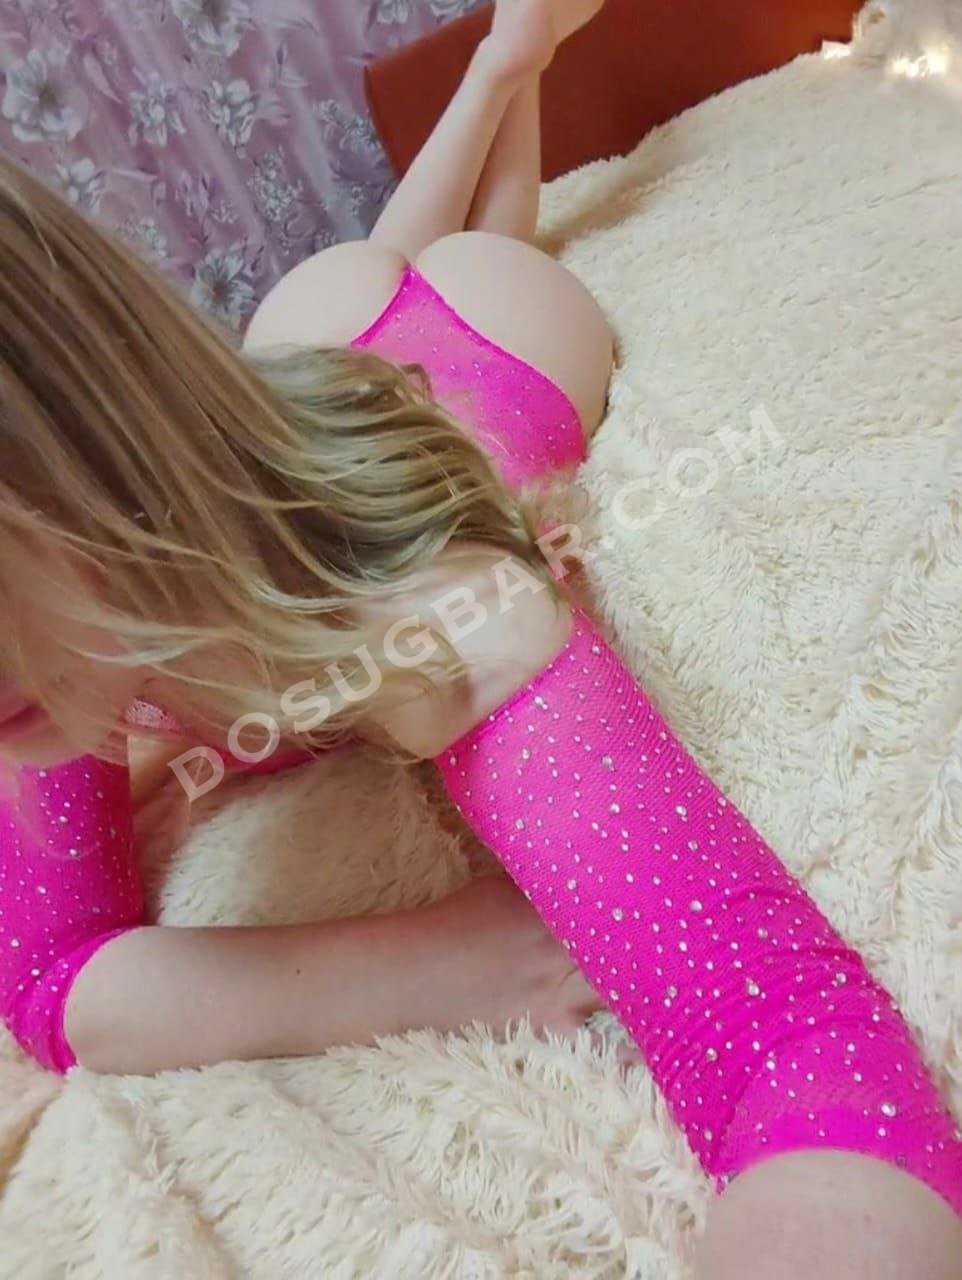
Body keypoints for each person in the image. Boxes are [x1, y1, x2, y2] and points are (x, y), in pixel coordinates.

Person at [0, 1, 958, 1274]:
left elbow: (805, 1060)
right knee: (371, 274)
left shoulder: (433, 599)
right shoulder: (50, 633)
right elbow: (52, 985)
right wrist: (437, 957)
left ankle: (516, 60)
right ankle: (508, 57)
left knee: (487, 253)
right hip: (295, 351)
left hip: (487, 349)